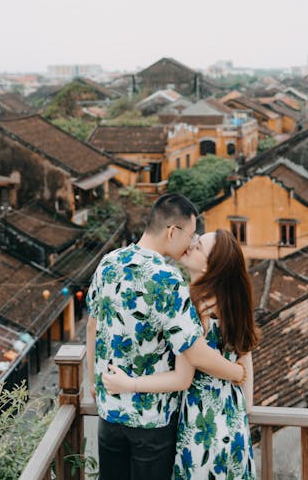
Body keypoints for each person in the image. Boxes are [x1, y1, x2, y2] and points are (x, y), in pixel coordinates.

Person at [86, 194, 245, 480]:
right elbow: (193, 353)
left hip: (109, 413)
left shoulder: (108, 262)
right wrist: (238, 372)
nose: (191, 243)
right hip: (152, 422)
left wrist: (94, 384)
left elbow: (91, 327)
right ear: (173, 231)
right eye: (191, 235)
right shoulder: (169, 281)